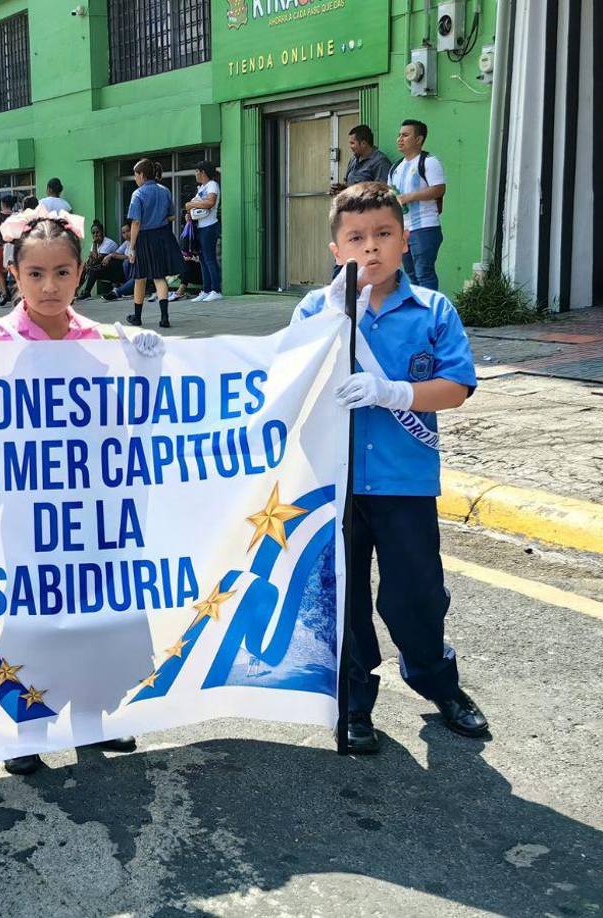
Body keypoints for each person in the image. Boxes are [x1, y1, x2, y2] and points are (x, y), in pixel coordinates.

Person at [0, 208, 162, 775]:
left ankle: (93, 720)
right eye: (35, 274)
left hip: (95, 508)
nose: (49, 286)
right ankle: (28, 731)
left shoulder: (101, 341)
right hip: (29, 513)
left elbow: (129, 425)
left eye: (62, 273)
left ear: (81, 272)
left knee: (99, 609)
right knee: (33, 615)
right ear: (13, 274)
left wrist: (148, 373)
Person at [291, 181, 488, 754]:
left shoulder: (432, 311)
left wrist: (394, 392)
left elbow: (456, 387)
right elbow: (278, 383)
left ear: (406, 241)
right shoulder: (316, 310)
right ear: (336, 250)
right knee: (344, 599)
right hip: (336, 486)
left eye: (383, 234)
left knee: (417, 597)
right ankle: (354, 703)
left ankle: (437, 683)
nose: (370, 248)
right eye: (356, 238)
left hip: (406, 483)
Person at [124, 158, 184, 326]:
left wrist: (131, 246)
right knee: (159, 277)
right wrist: (159, 218)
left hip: (144, 238)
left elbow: (136, 222)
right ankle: (164, 318)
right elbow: (172, 215)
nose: (135, 178)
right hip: (162, 235)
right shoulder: (164, 190)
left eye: (136, 175)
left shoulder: (138, 194)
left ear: (142, 175)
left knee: (140, 278)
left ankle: (137, 317)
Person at [390, 119, 446, 290]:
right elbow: (391, 192)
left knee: (424, 273)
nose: (400, 139)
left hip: (425, 227)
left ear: (419, 140)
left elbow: (439, 189)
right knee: (411, 275)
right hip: (404, 230)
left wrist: (410, 197)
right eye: (399, 135)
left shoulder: (429, 162)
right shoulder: (396, 167)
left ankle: (430, 314)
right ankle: (417, 312)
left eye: (405, 135)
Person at [184, 161, 222, 302]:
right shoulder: (202, 188)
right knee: (203, 260)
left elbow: (210, 203)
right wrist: (190, 212)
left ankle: (216, 290)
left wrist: (191, 205)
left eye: (196, 171)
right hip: (200, 226)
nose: (195, 174)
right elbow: (194, 206)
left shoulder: (212, 185)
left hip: (209, 226)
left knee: (210, 259)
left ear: (203, 172)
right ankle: (206, 290)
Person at [331, 124, 392, 194]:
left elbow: (382, 192)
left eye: (352, 143)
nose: (350, 146)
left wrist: (352, 193)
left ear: (363, 143)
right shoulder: (353, 159)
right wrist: (342, 188)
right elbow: (350, 184)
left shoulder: (380, 162)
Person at [75, 221, 123, 300]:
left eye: (97, 232)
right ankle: (76, 291)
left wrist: (94, 243)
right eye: (93, 233)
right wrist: (86, 264)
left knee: (92, 268)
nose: (95, 235)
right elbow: (91, 259)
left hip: (115, 272)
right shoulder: (96, 244)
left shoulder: (108, 243)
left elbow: (95, 260)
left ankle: (86, 292)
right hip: (103, 268)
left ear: (102, 232)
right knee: (85, 267)